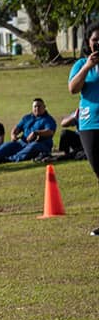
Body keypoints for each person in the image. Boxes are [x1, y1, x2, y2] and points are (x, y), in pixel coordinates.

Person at [68, 20, 99, 236]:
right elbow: (73, 88)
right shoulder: (81, 64)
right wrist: (88, 66)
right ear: (88, 42)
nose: (98, 43)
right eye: (95, 40)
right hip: (90, 125)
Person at [0, 98, 57, 164]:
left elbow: (50, 132)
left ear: (44, 107)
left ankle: (8, 160)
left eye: (39, 106)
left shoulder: (48, 119)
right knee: (8, 145)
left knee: (33, 147)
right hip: (22, 142)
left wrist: (36, 133)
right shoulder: (27, 117)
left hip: (40, 144)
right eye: (35, 106)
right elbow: (17, 128)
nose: (37, 108)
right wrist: (13, 134)